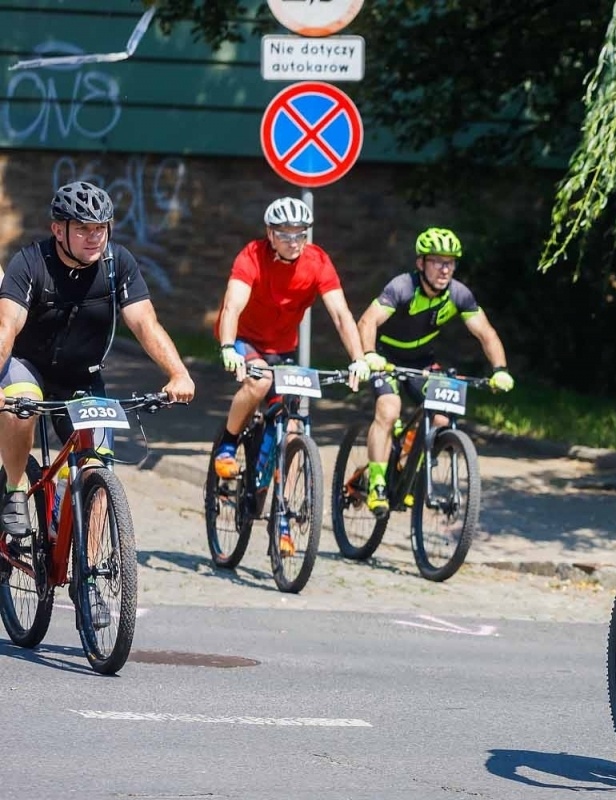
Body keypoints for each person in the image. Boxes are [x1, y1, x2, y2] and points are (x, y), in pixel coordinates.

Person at [0, 181, 195, 537]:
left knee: (97, 471)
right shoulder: (29, 263)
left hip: (82, 379)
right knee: (18, 405)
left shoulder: (116, 264)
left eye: (101, 228)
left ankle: (90, 581)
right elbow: (6, 325)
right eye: (84, 229)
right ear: (58, 230)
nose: (95, 238)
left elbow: (145, 323)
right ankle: (14, 489)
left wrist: (178, 373)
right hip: (28, 367)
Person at [211, 197, 368, 554]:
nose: (294, 241)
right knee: (261, 380)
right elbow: (233, 304)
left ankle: (280, 519)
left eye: (300, 234)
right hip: (243, 339)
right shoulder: (251, 256)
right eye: (285, 234)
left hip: (283, 347)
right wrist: (226, 347)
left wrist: (357, 358)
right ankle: (228, 442)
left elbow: (342, 314)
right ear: (270, 234)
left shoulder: (317, 261)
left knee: (292, 426)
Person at [354, 227, 513, 515]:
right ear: (421, 263)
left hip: (421, 362)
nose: (444, 269)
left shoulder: (458, 294)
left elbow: (486, 333)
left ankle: (406, 463)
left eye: (450, 262)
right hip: (386, 358)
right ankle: (377, 482)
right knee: (389, 409)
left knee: (441, 418)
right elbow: (367, 322)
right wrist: (368, 355)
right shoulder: (402, 287)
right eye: (437, 261)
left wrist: (500, 369)